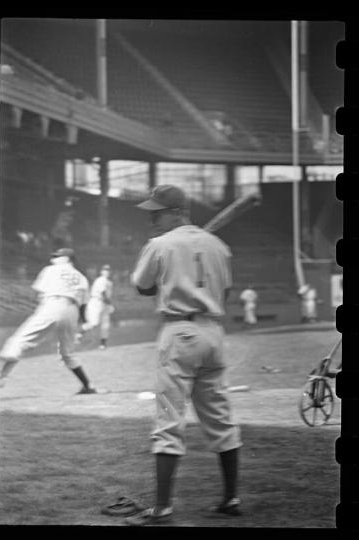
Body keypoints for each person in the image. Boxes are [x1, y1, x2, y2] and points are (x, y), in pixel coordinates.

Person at [126, 184, 242, 526]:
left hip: (178, 333)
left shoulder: (159, 245)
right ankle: (231, 498)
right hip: (213, 333)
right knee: (220, 417)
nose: (151, 218)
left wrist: (172, 272)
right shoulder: (218, 245)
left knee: (168, 419)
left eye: (157, 212)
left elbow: (143, 287)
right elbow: (227, 291)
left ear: (177, 212)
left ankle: (162, 509)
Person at [0, 248, 103, 395]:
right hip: (72, 310)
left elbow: (39, 292)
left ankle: (3, 375)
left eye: (58, 256)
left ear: (67, 259)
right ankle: (88, 386)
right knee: (68, 354)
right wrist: (83, 323)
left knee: (19, 341)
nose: (54, 258)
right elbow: (84, 305)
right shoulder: (81, 277)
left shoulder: (51, 269)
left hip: (53, 305)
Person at [81, 264, 114, 349]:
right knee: (93, 323)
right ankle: (79, 333)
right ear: (101, 271)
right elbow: (103, 293)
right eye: (105, 270)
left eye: (108, 270)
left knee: (105, 325)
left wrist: (109, 304)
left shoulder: (109, 282)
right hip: (96, 302)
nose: (107, 272)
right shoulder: (101, 280)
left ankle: (103, 344)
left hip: (104, 303)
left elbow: (108, 296)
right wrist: (110, 304)